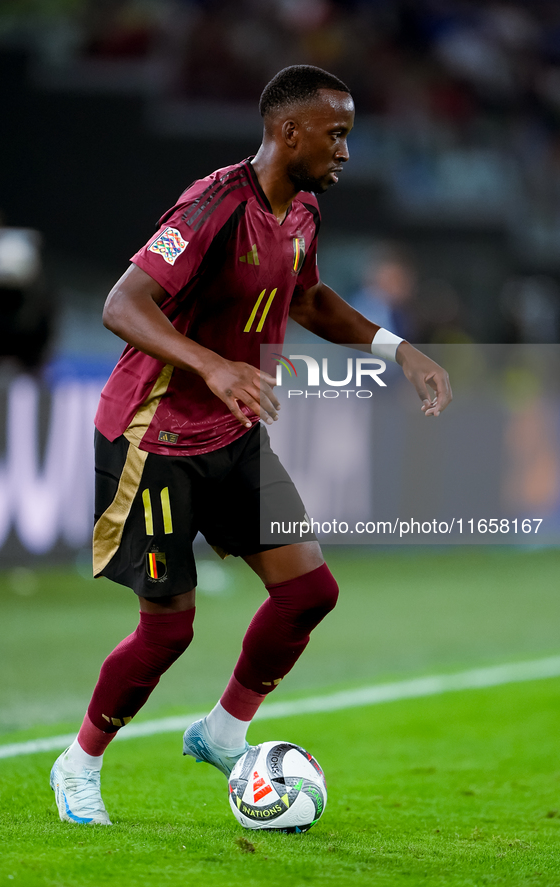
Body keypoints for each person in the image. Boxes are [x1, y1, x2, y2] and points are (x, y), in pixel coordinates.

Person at [50, 65, 452, 825]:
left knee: (308, 593)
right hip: (155, 435)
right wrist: (214, 364)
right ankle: (78, 764)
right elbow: (121, 303)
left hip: (232, 431)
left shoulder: (301, 212)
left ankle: (222, 731)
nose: (343, 152)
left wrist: (396, 348)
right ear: (286, 131)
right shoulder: (211, 206)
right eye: (334, 135)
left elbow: (307, 299)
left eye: (348, 136)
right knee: (169, 627)